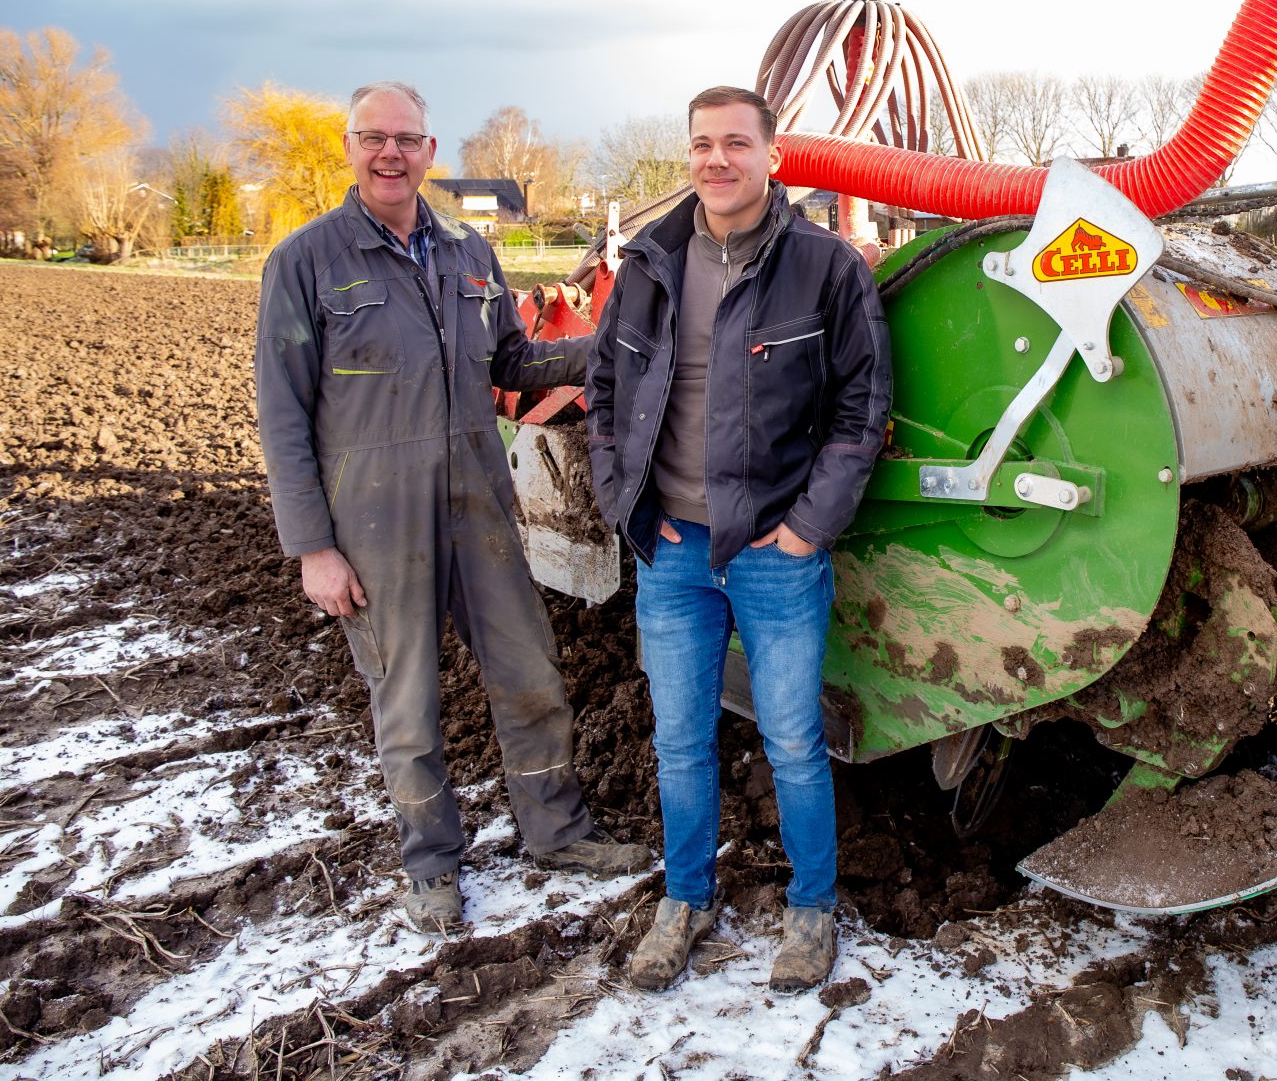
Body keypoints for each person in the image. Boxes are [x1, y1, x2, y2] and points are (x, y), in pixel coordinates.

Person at [255, 81, 649, 933]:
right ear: (350, 147)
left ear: (431, 152)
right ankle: (433, 864)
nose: (390, 152)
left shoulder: (470, 253)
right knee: (408, 698)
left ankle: (558, 831)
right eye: (373, 137)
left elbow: (511, 358)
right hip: (373, 518)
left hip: (478, 499)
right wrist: (311, 548)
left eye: (407, 138)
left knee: (531, 673)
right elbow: (281, 413)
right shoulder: (306, 262)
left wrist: (612, 350)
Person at [587, 85, 892, 993]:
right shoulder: (649, 263)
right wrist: (621, 501)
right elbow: (604, 390)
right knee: (679, 742)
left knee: (794, 742)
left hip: (774, 553)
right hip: (671, 551)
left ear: (773, 157)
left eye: (734, 144)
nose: (715, 161)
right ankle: (685, 897)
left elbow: (860, 407)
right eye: (700, 146)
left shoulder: (826, 268)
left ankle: (812, 907)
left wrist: (805, 529)